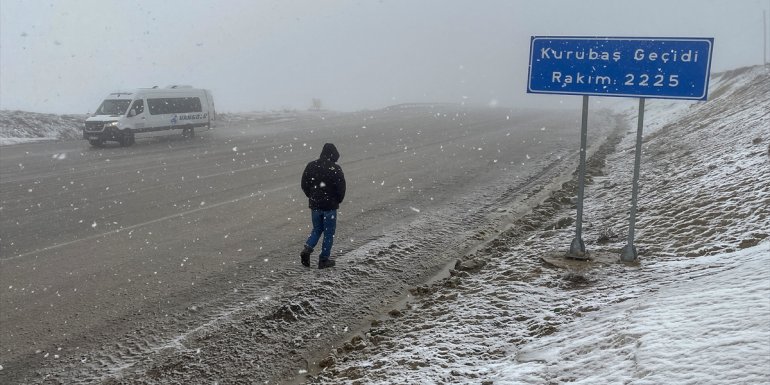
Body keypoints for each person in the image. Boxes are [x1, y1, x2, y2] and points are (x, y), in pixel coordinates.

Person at [300, 143, 346, 269]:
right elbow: (341, 188)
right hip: (330, 207)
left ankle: (307, 249)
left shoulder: (311, 166)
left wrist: (312, 196)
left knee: (317, 229)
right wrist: (337, 200)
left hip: (315, 205)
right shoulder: (335, 169)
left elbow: (304, 184)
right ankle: (323, 260)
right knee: (329, 233)